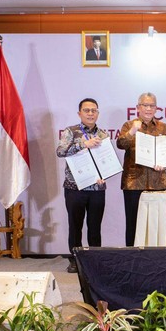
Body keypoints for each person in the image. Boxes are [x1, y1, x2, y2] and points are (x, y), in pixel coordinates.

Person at [56, 98, 109, 273]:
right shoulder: (71, 131)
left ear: (98, 113)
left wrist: (103, 174)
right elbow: (60, 151)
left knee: (95, 227)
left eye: (94, 110)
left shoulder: (103, 134)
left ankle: (95, 260)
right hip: (75, 188)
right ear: (79, 113)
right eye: (86, 110)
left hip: (97, 188)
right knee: (75, 225)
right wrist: (83, 144)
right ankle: (75, 260)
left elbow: (106, 160)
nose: (90, 113)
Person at [116, 92, 166, 246]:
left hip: (157, 183)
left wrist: (164, 164)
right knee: (133, 223)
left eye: (151, 105)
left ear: (156, 108)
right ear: (138, 107)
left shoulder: (163, 127)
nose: (148, 108)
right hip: (133, 183)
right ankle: (131, 258)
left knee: (157, 225)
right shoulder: (129, 125)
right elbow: (120, 144)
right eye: (145, 105)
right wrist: (132, 131)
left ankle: (156, 258)